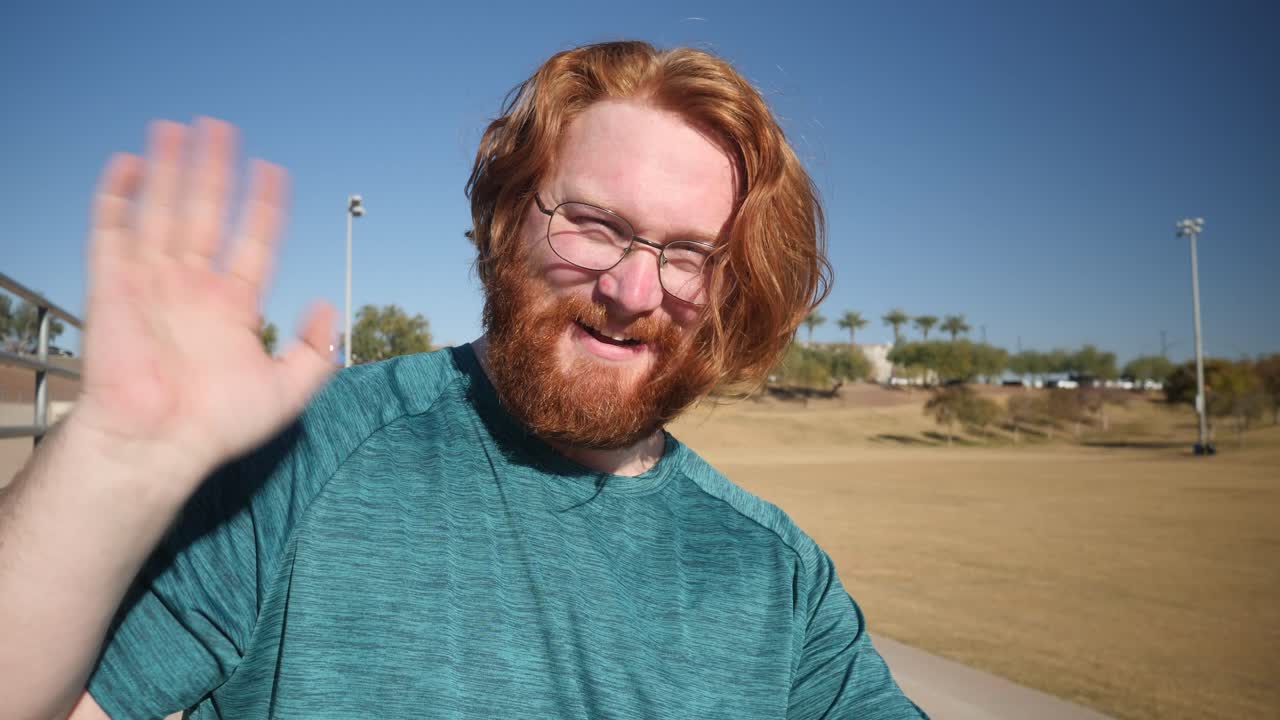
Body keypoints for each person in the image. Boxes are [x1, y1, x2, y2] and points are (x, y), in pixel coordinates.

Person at [0, 41, 925, 719]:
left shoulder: (777, 577)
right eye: (596, 224)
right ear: (505, 218)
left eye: (689, 253)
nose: (633, 288)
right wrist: (111, 456)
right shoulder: (305, 457)